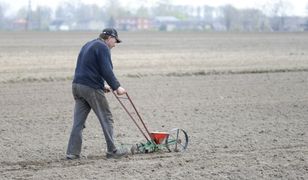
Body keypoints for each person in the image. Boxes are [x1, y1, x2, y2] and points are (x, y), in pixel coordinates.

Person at [66, 28, 128, 159]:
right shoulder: (103, 47)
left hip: (77, 86)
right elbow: (107, 70)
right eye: (115, 41)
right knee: (107, 118)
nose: (115, 44)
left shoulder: (88, 44)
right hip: (90, 87)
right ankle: (112, 151)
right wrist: (117, 87)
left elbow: (89, 67)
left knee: (78, 122)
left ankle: (72, 153)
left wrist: (101, 85)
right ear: (109, 38)